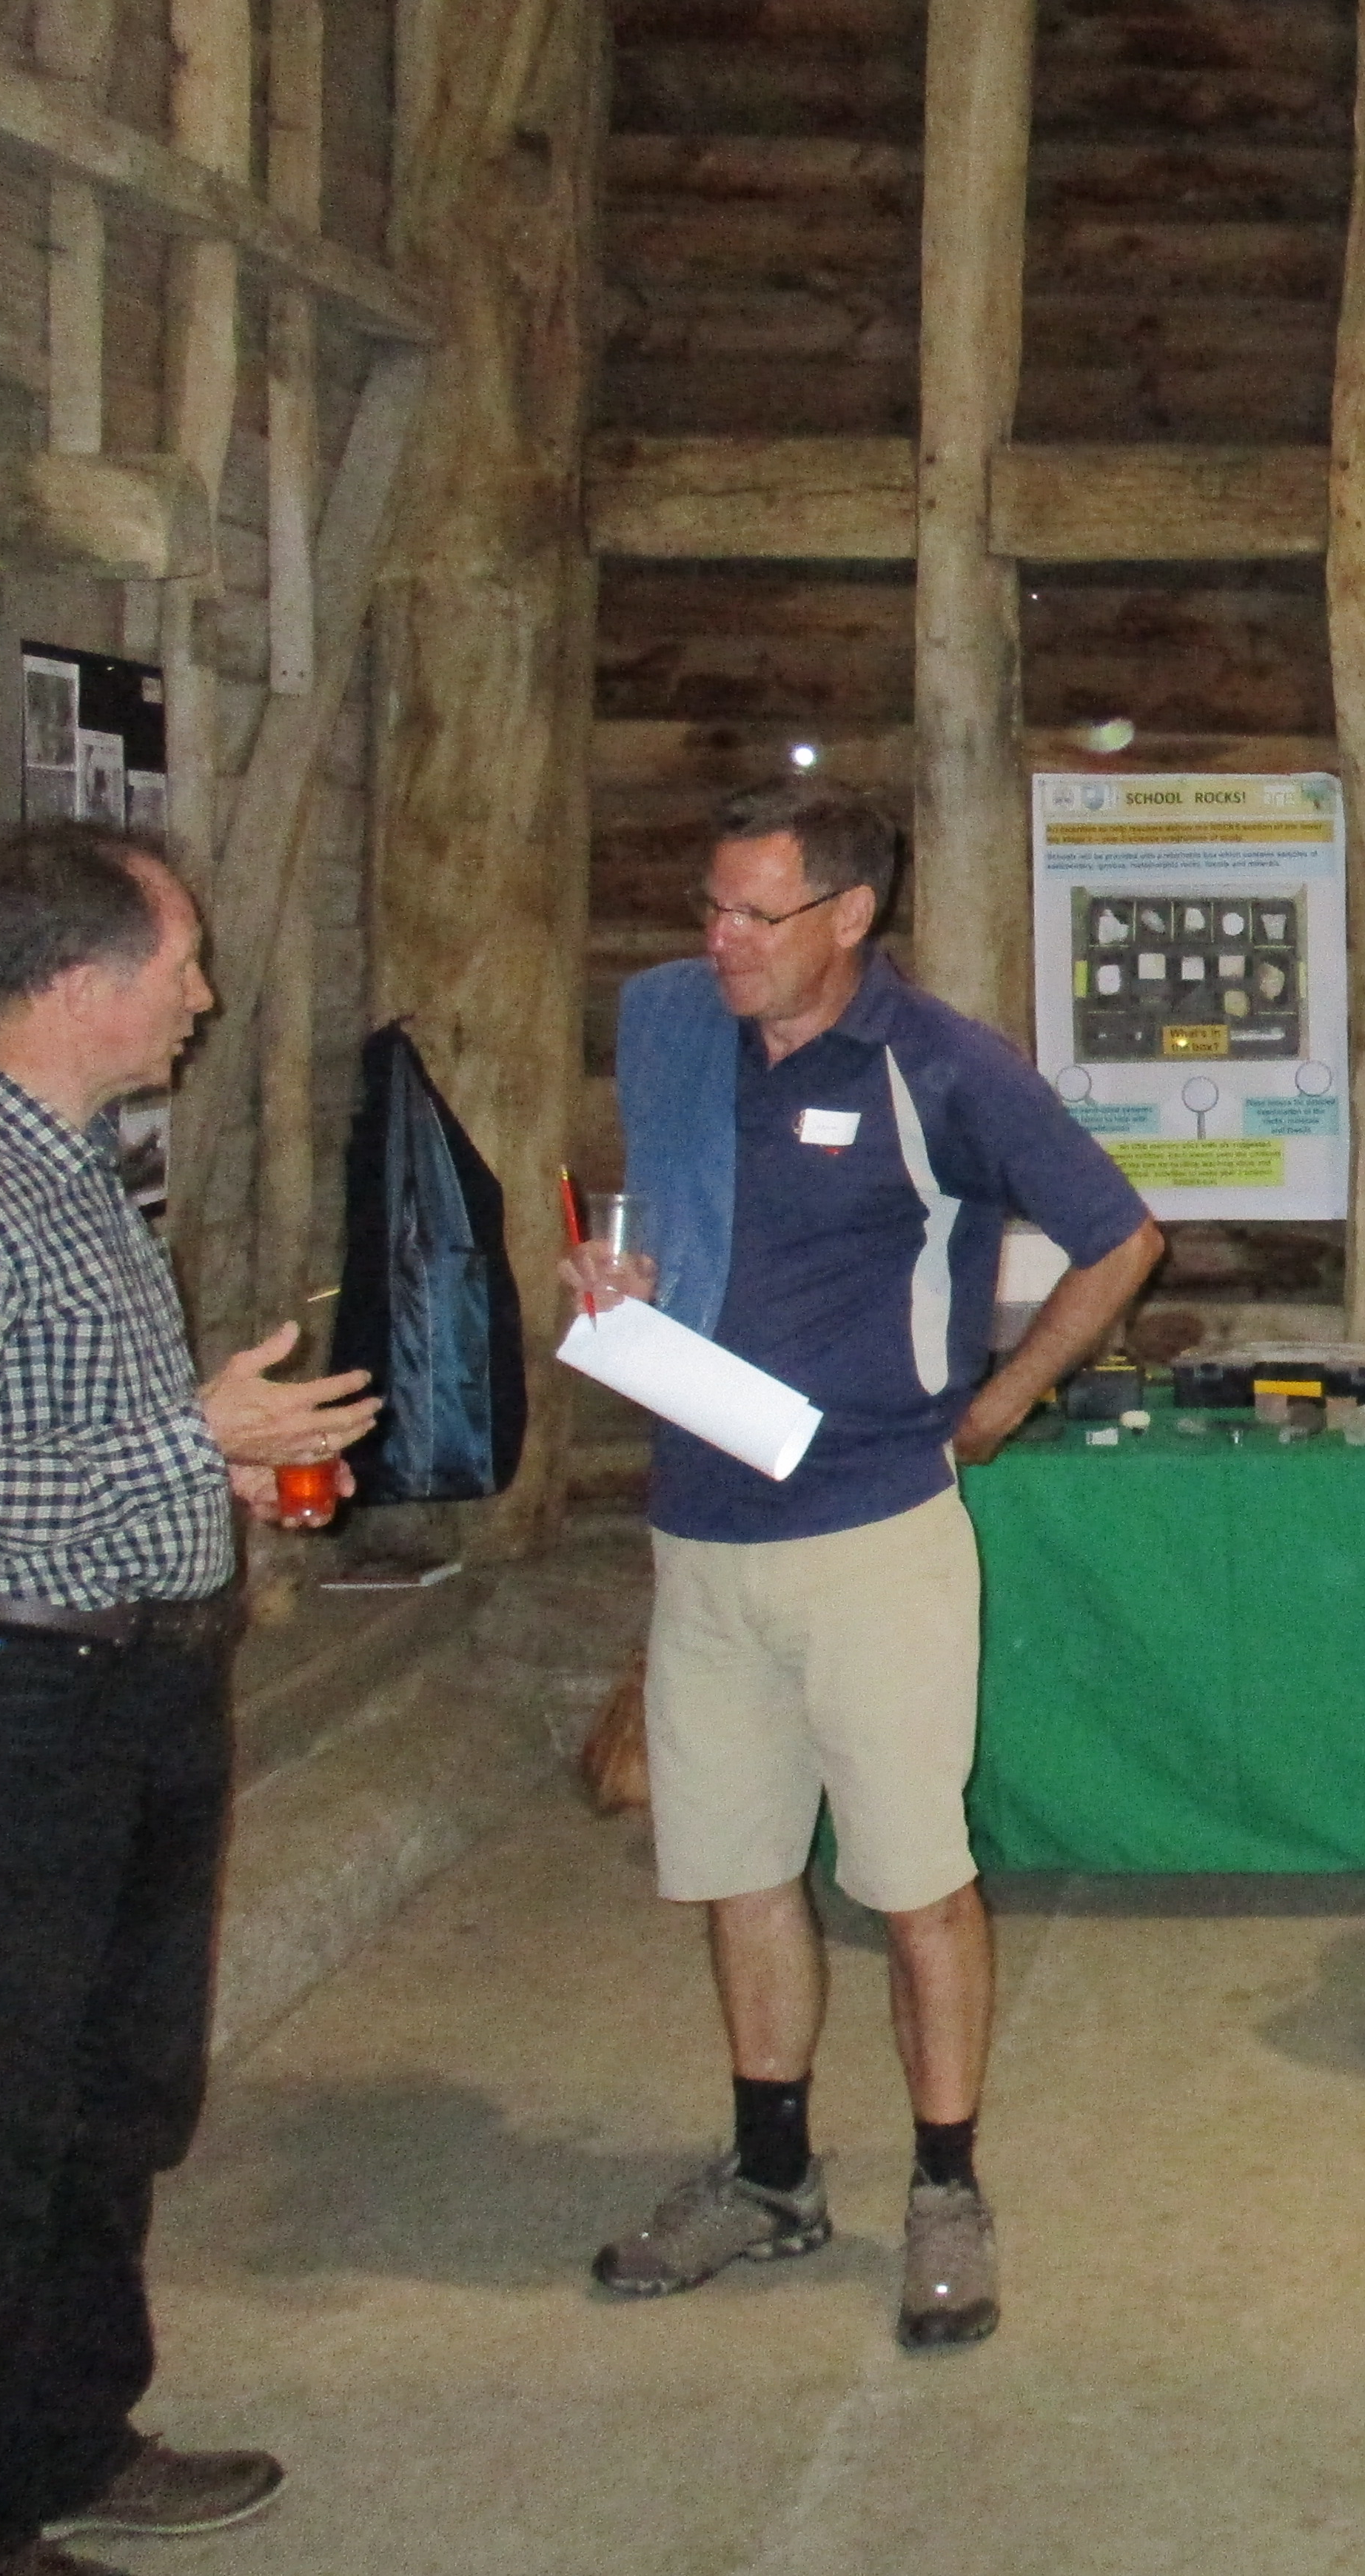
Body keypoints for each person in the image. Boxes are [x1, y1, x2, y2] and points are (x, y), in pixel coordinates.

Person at [0, 825, 380, 2576]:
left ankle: (68, 2439)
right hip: (4, 1717)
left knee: (111, 2110)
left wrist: (227, 1470)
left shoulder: (72, 1162)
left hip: (130, 1693)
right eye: (179, 961)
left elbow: (65, 1443)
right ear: (77, 985)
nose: (202, 993)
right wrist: (190, 1439)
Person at [580, 780, 1159, 2349]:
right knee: (738, 1866)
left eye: (755, 914)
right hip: (702, 1527)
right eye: (711, 906)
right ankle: (771, 2175)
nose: (721, 940)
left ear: (849, 915)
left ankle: (945, 2189)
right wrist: (621, 1283)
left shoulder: (943, 1066)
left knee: (914, 1885)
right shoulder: (686, 1038)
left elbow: (1119, 1238)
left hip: (875, 1536)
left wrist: (1001, 1402)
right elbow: (681, 1247)